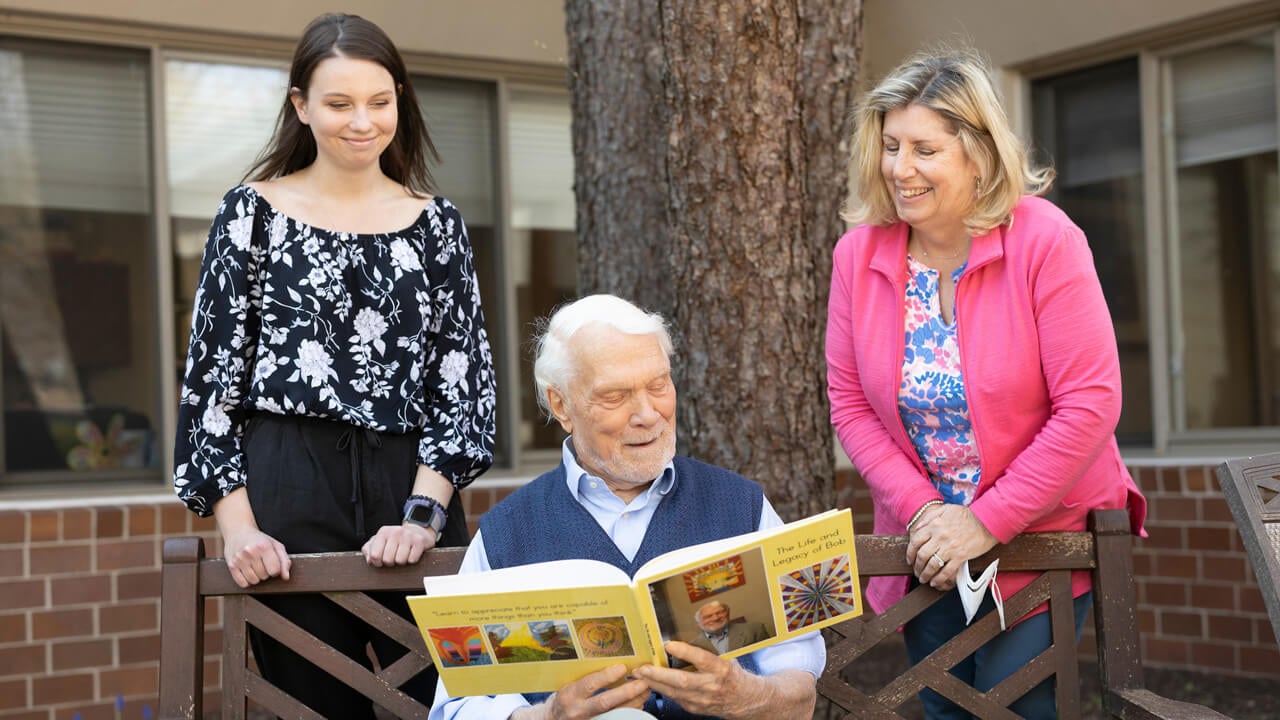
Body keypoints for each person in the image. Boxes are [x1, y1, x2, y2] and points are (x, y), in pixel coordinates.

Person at [171, 12, 496, 718]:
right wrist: (239, 529)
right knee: (311, 707)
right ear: (301, 107)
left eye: (380, 102)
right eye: (339, 104)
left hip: (412, 486)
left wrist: (422, 515)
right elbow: (210, 384)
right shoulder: (249, 214)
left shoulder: (438, 225)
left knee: (457, 702)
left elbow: (460, 382)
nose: (362, 122)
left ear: (400, 100)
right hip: (287, 492)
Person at [824, 47, 1147, 718]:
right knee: (943, 708)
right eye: (890, 146)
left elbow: (1090, 405)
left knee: (1015, 705)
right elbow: (850, 404)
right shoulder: (858, 255)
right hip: (929, 542)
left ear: (977, 153)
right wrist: (928, 515)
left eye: (924, 149)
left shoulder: (1044, 239)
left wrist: (986, 521)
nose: (899, 169)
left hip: (1041, 531)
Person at [430, 294, 823, 720]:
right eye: (615, 396)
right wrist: (546, 716)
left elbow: (800, 692)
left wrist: (744, 695)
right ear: (561, 404)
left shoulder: (742, 507)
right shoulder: (507, 533)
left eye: (658, 385)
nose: (648, 414)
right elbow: (457, 706)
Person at [687, 601, 771, 656]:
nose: (715, 618)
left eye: (719, 612)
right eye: (708, 616)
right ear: (699, 623)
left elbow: (770, 657)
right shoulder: (691, 647)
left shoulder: (755, 629)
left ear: (728, 613)